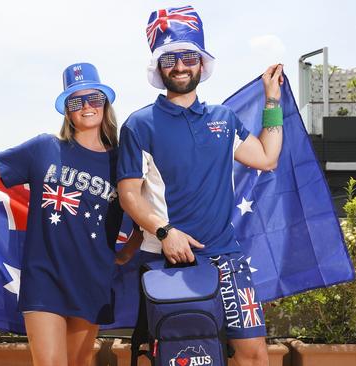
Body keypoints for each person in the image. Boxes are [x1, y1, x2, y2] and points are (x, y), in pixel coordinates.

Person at [0, 62, 141, 366]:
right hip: (44, 277)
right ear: (67, 111)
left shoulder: (121, 161)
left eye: (94, 99)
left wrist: (124, 255)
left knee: (79, 362)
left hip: (92, 279)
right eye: (75, 101)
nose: (86, 107)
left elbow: (144, 209)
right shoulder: (44, 148)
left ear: (105, 104)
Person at [117, 6, 283, 366]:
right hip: (165, 259)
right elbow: (128, 195)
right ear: (159, 67)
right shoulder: (138, 124)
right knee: (172, 358)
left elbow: (267, 158)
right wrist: (165, 232)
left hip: (227, 259)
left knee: (254, 355)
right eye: (170, 58)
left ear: (201, 64)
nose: (180, 66)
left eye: (188, 57)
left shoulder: (224, 119)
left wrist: (272, 100)